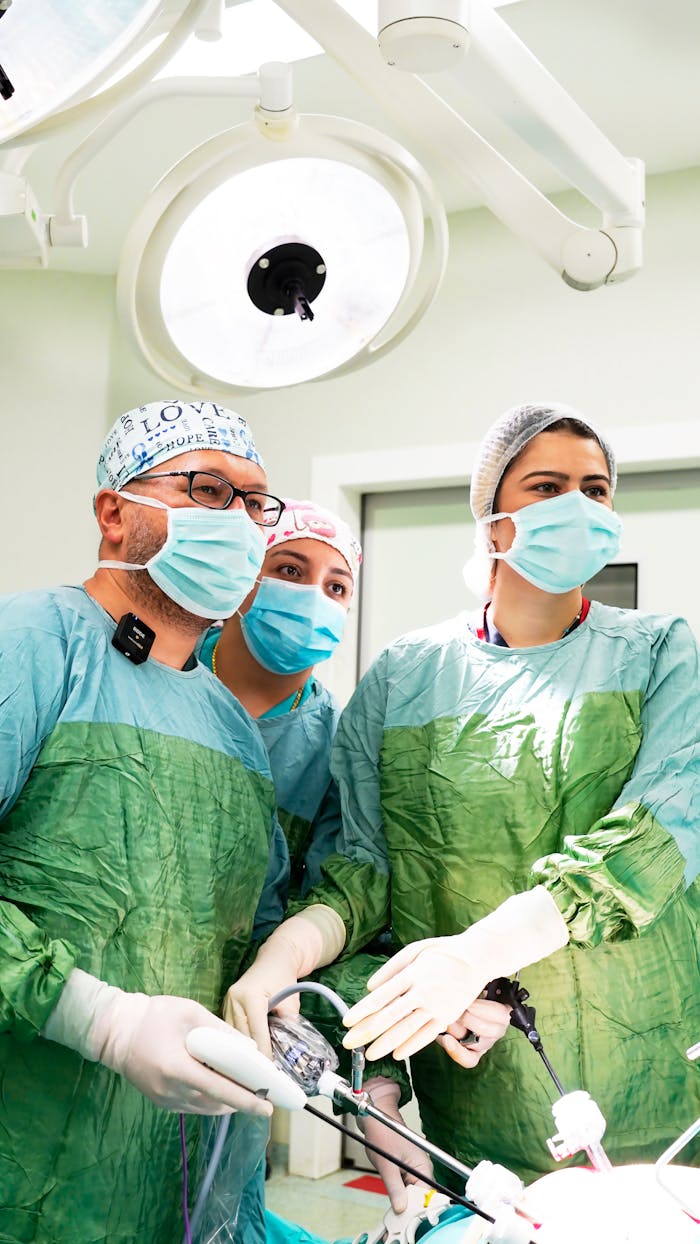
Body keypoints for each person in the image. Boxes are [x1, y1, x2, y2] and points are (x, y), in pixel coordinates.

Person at [228, 401, 700, 1203]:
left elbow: (655, 841)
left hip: (658, 1093)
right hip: (474, 1110)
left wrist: (474, 955)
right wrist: (289, 968)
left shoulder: (664, 652)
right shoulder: (403, 680)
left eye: (597, 489)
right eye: (548, 485)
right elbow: (365, 875)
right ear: (492, 517)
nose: (577, 508)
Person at [0, 399, 344, 1244]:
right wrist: (96, 1018)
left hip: (187, 1184)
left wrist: (280, 1001)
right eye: (208, 490)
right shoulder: (32, 645)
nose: (242, 523)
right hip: (32, 1172)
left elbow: (246, 921)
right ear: (115, 514)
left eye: (256, 503)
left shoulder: (231, 728)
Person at [199, 497, 362, 897]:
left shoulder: (334, 743)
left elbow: (327, 890)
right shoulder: (168, 668)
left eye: (336, 587)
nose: (312, 598)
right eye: (289, 570)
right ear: (241, 578)